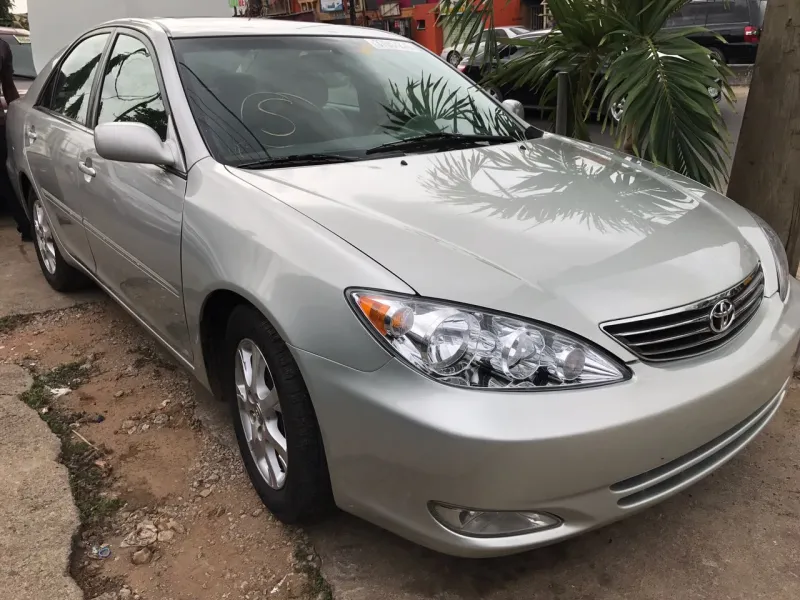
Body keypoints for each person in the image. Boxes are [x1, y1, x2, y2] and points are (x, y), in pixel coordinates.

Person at [0, 37, 31, 241]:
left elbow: (8, 87)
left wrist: (19, 115)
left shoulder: (2, 47)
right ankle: (26, 226)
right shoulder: (2, 47)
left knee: (5, 173)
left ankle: (26, 226)